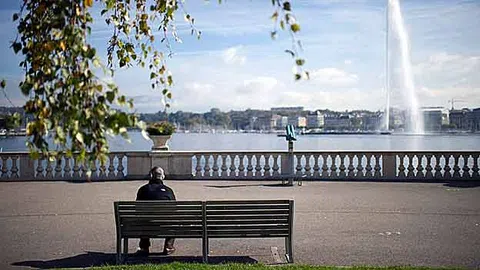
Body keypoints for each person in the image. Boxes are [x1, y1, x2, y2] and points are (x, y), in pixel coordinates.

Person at [135, 166, 176, 256]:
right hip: (165, 225)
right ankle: (168, 246)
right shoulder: (169, 191)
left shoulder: (143, 190)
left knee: (143, 219)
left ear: (151, 176)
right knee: (173, 220)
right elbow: (174, 210)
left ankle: (144, 247)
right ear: (162, 177)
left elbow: (137, 209)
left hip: (146, 225)